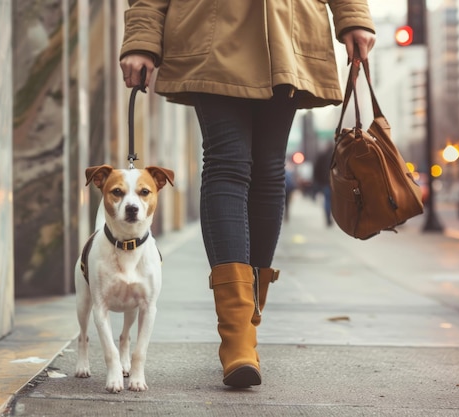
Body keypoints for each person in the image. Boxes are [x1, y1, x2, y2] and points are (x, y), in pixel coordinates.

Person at [119, 1, 376, 388]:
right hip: (213, 25)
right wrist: (141, 36)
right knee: (227, 163)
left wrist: (353, 15)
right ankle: (237, 335)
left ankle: (247, 329)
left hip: (287, 28)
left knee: (270, 170)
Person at [313, 143, 335, 227]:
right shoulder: (336, 156)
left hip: (325, 182)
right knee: (334, 200)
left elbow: (316, 169)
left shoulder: (322, 156)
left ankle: (328, 218)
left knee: (327, 200)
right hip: (335, 182)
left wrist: (318, 181)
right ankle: (336, 217)